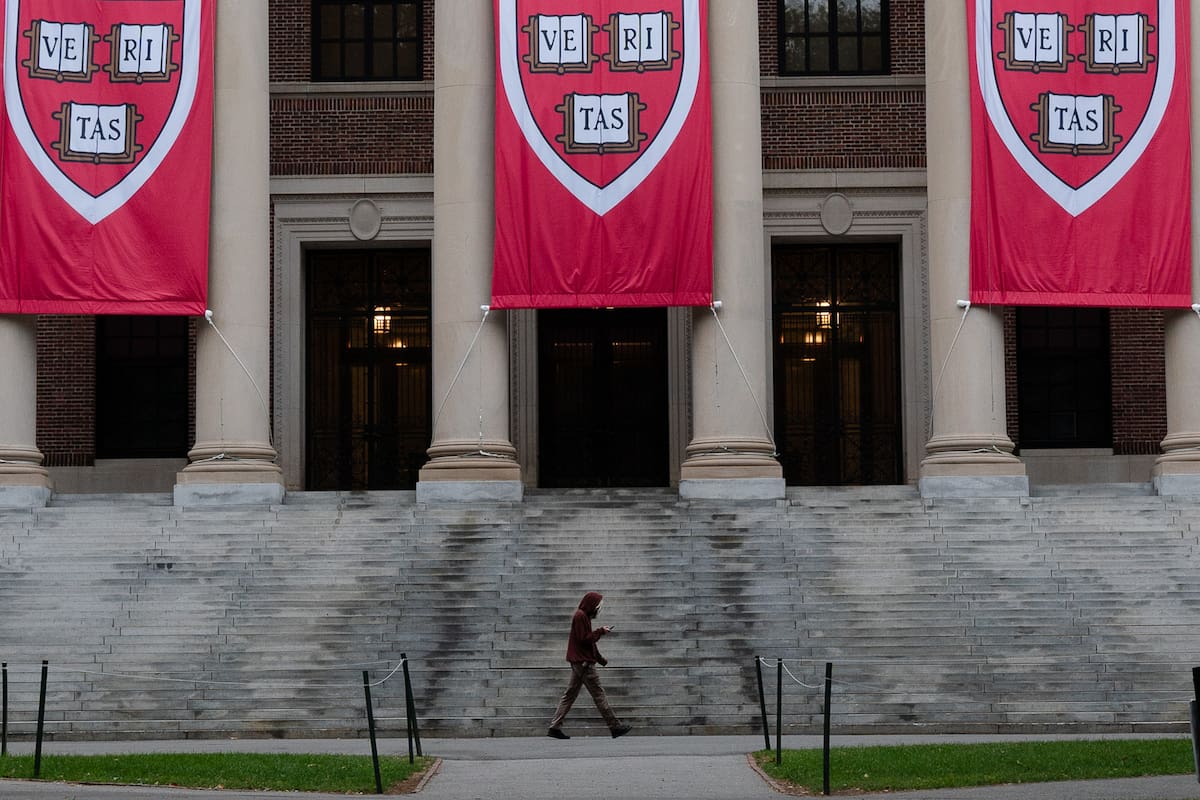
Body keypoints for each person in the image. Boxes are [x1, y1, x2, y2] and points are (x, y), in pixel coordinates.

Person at [547, 590, 632, 739]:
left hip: (579, 661)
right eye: (598, 606)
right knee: (599, 694)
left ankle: (554, 727)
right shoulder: (580, 616)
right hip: (584, 664)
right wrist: (600, 631)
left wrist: (600, 659)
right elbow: (584, 639)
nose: (599, 609)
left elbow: (588, 643)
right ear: (592, 605)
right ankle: (615, 726)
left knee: (569, 695)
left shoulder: (583, 616)